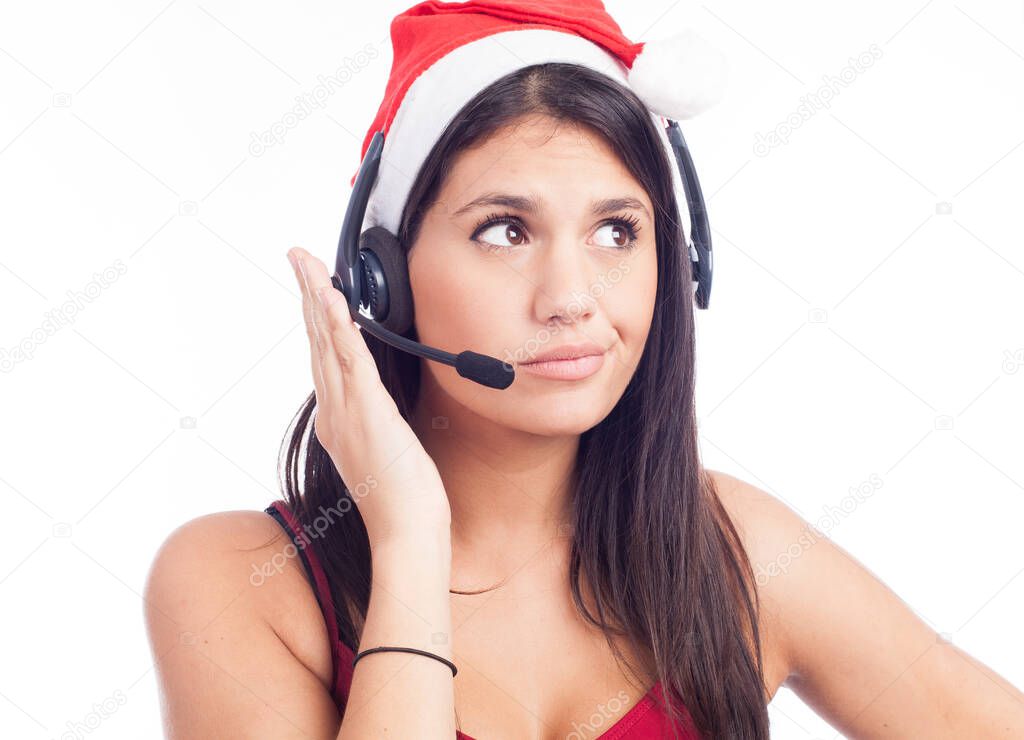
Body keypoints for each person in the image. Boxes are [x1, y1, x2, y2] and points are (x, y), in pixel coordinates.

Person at [143, 2, 1024, 738]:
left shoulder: (737, 555)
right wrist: (408, 540)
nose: (573, 298)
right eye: (505, 230)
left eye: (616, 232)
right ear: (384, 275)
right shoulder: (234, 583)